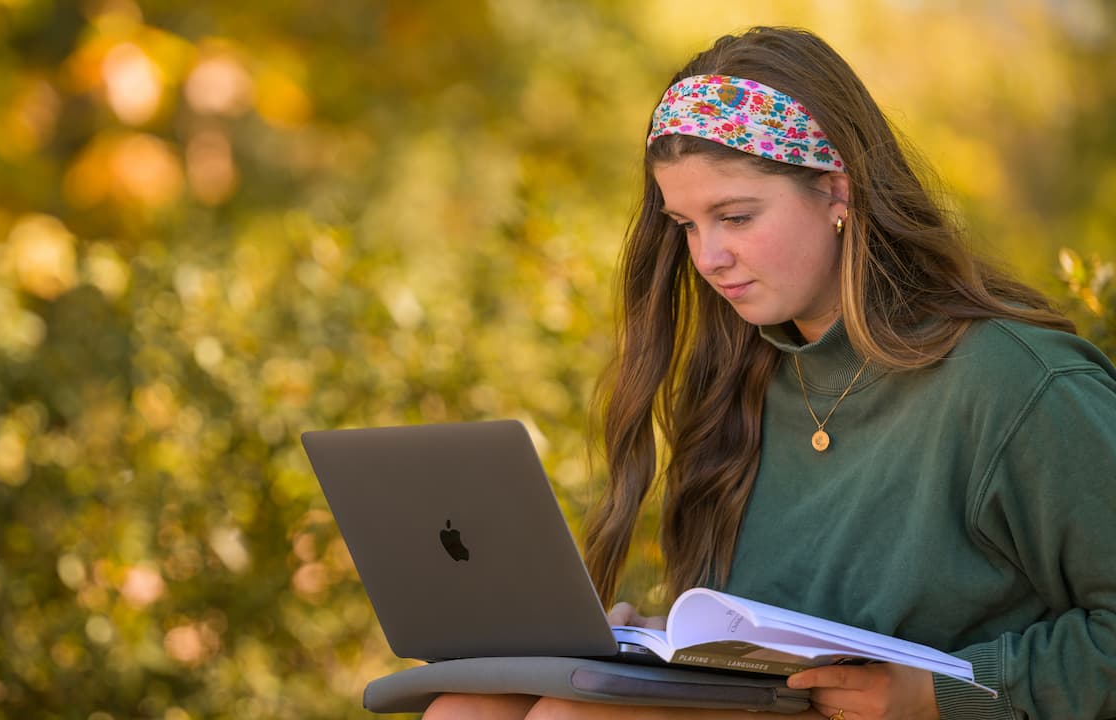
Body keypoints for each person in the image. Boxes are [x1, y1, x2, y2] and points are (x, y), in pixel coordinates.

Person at [421, 25, 1116, 720]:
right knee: (467, 708)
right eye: (686, 225)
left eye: (736, 216)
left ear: (836, 192)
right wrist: (636, 648)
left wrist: (938, 695)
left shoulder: (1019, 385)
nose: (708, 257)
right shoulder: (744, 380)